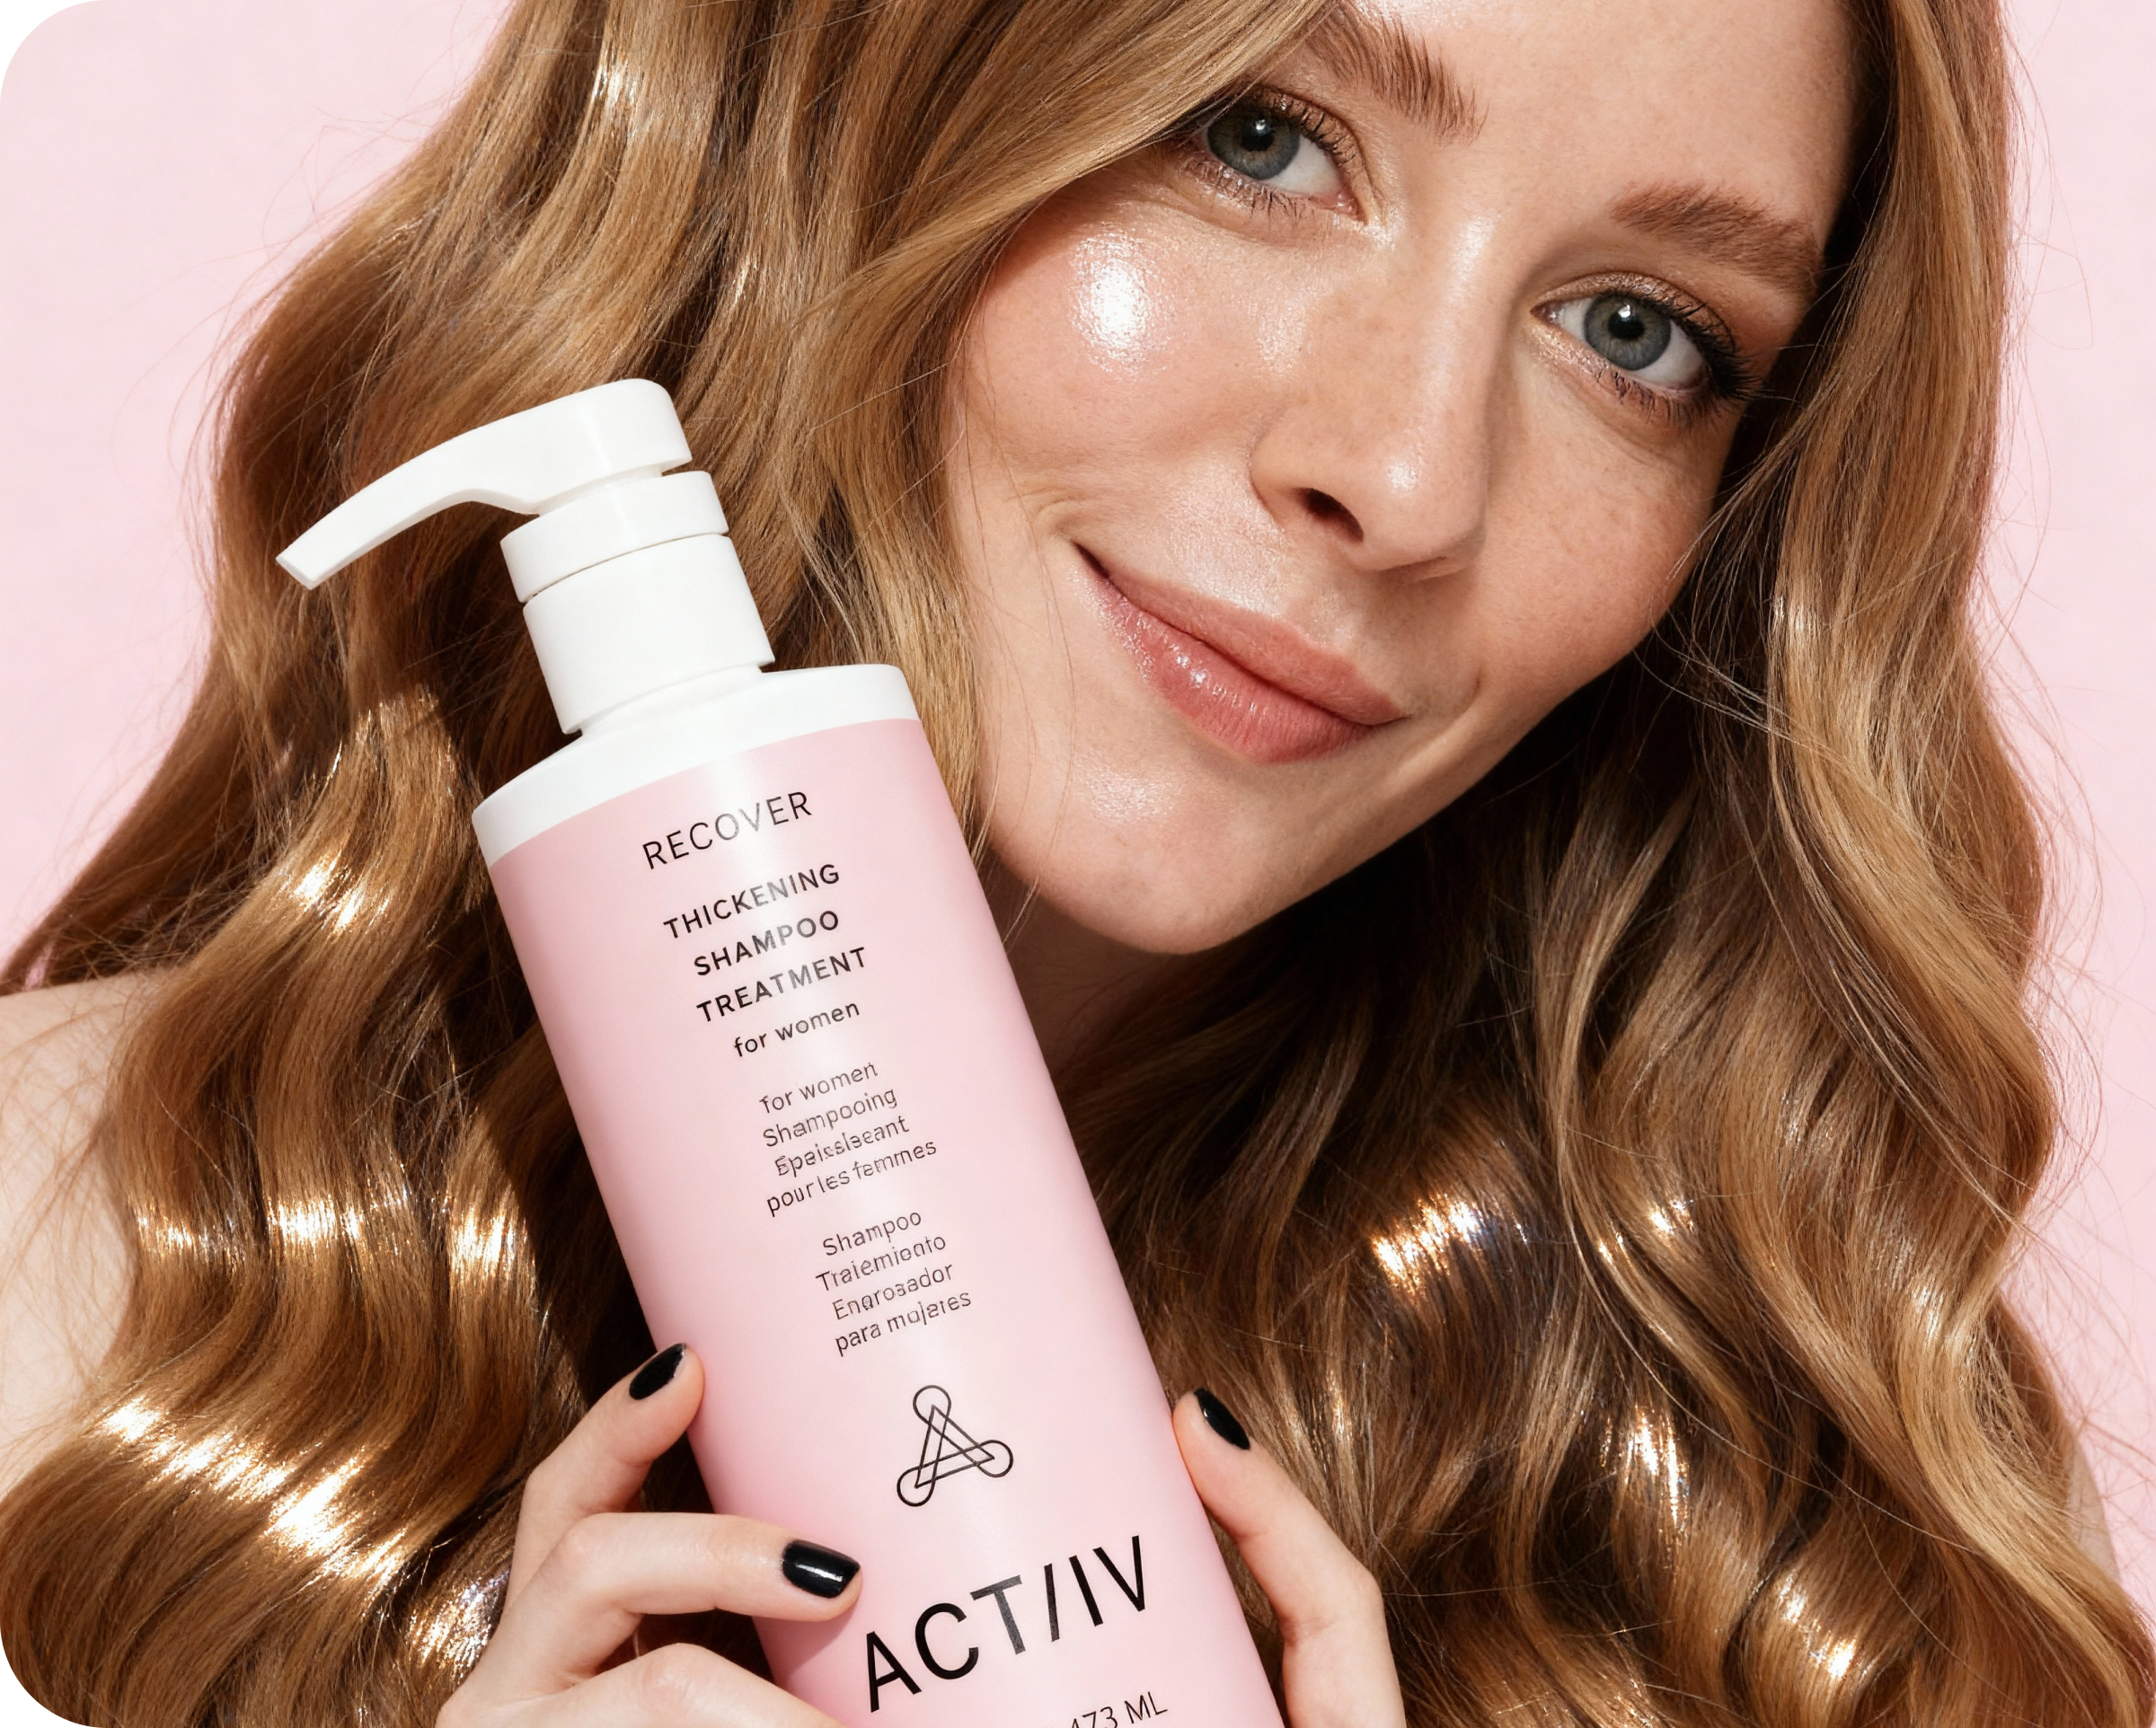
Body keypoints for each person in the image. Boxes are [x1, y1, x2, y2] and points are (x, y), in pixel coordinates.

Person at [1, 0, 2150, 1722]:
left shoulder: (1793, 1569)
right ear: (860, 91)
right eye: (1259, 136)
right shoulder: (52, 1270)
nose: (1403, 475)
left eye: (1635, 330)